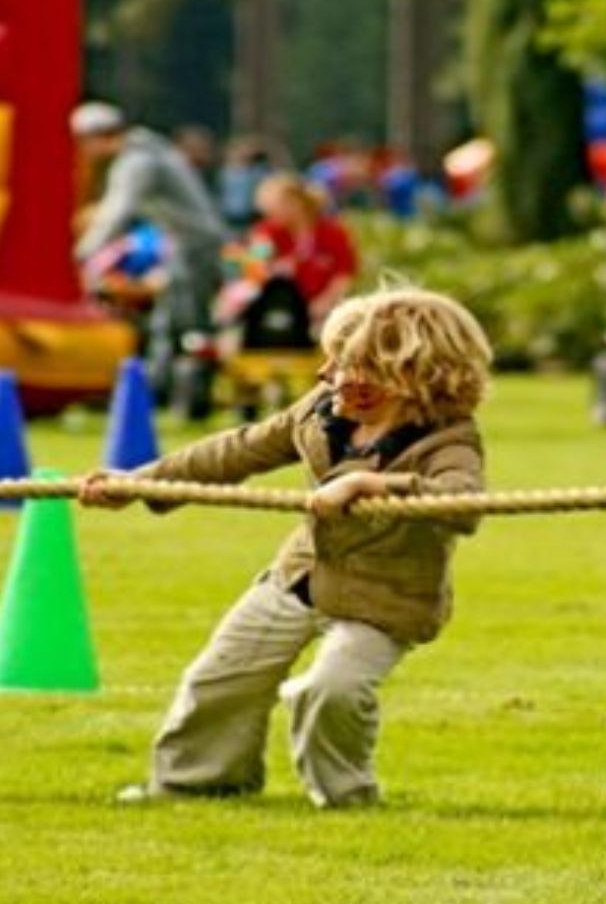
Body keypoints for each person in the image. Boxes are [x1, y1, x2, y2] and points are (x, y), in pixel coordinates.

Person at [79, 287, 491, 808]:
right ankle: (199, 781)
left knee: (331, 690)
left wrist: (373, 486)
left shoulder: (447, 441)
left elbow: (463, 505)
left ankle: (347, 798)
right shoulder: (322, 412)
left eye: (349, 364)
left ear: (412, 377)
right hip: (301, 577)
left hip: (385, 597)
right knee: (222, 676)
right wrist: (141, 483)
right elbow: (242, 448)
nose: (327, 374)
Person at [72, 101, 231, 420]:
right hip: (183, 244)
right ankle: (157, 394)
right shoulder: (150, 152)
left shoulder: (137, 162)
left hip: (193, 246)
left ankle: (180, 398)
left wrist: (82, 254)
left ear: (99, 136)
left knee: (186, 324)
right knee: (170, 322)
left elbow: (117, 210)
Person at [248, 172, 360, 328]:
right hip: (283, 310)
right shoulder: (265, 231)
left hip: (326, 311)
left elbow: (344, 274)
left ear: (295, 203)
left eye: (274, 208)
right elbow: (255, 268)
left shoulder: (334, 232)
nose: (269, 214)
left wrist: (325, 303)